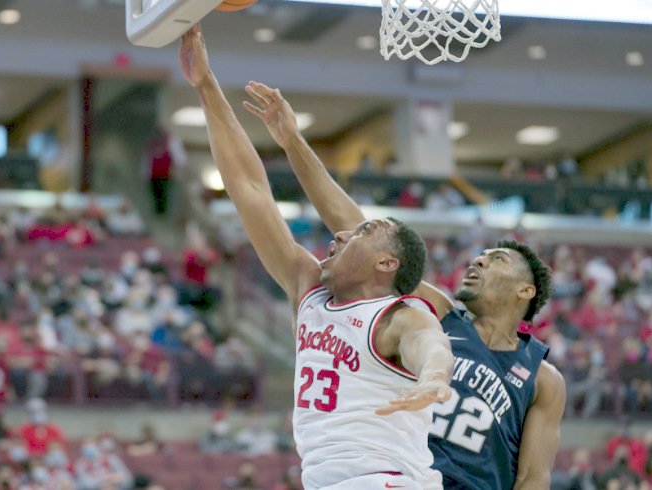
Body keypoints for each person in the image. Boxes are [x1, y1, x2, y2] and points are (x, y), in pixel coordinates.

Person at [240, 78, 566, 489]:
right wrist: (293, 142)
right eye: (479, 256)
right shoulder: (436, 315)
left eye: (496, 261)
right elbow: (353, 226)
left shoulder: (543, 379)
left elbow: (534, 478)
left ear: (526, 291)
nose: (478, 261)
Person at [180, 26, 454, 490]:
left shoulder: (398, 316)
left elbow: (431, 345)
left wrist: (433, 377)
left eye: (363, 231)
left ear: (387, 264)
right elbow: (249, 191)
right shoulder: (308, 289)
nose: (341, 233)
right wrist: (206, 85)